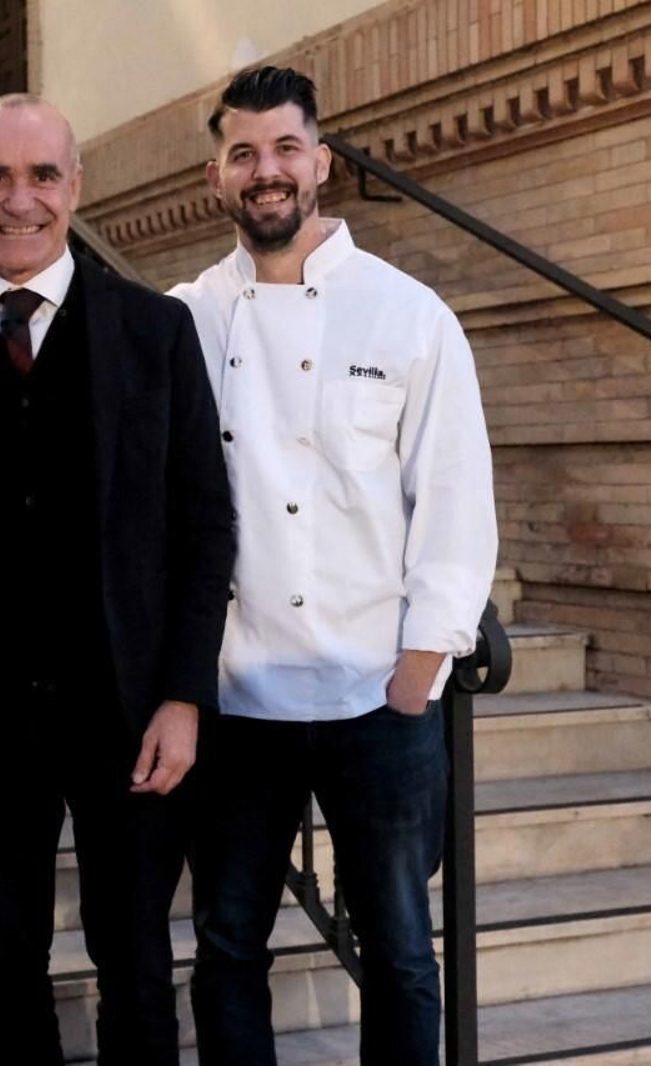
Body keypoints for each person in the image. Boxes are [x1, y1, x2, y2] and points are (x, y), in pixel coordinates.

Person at [0, 95, 235, 1065]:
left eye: (42, 175)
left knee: (134, 963)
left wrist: (182, 695)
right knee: (4, 963)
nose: (20, 198)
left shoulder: (155, 331)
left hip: (128, 709)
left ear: (75, 187)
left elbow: (205, 524)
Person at [172, 66, 497, 1065]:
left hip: (374, 696)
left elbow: (454, 496)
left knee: (399, 947)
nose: (263, 172)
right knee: (228, 945)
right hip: (235, 696)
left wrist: (422, 661)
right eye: (241, 154)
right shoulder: (181, 317)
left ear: (319, 161)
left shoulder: (406, 315)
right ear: (216, 175)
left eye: (282, 150)